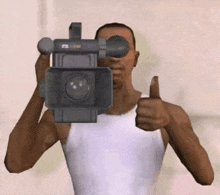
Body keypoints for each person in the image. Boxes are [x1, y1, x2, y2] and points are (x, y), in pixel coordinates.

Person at [5, 23, 214, 194]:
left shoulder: (165, 113)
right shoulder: (67, 116)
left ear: (136, 58)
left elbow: (205, 176)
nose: (115, 57)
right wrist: (42, 89)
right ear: (93, 56)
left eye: (121, 48)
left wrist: (169, 122)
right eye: (106, 48)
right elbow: (16, 163)